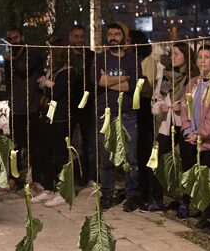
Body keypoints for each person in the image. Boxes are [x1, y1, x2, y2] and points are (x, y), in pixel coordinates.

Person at [178, 45, 210, 235]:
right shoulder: (193, 83)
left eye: (207, 57)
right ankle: (206, 215)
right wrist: (187, 132)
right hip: (193, 139)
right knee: (200, 179)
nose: (203, 61)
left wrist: (201, 134)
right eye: (200, 57)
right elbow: (185, 107)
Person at [93, 23, 141, 210]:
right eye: (110, 34)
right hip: (104, 113)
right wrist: (124, 78)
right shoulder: (100, 59)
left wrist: (109, 81)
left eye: (117, 34)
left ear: (124, 37)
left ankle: (132, 195)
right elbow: (98, 80)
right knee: (106, 157)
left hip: (127, 114)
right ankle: (107, 194)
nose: (113, 37)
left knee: (130, 157)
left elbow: (132, 86)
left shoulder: (132, 60)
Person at [32, 39, 82, 207]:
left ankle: (64, 191)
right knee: (47, 152)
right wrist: (47, 84)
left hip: (62, 117)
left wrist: (46, 83)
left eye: (52, 51)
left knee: (61, 154)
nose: (50, 55)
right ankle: (48, 188)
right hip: (49, 116)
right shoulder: (55, 70)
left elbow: (58, 91)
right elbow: (40, 87)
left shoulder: (70, 71)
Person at [150, 43, 198, 213]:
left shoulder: (194, 78)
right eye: (172, 54)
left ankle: (187, 202)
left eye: (177, 54)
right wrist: (160, 106)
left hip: (185, 126)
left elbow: (198, 103)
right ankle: (156, 200)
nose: (173, 57)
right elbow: (156, 98)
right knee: (156, 159)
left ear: (186, 56)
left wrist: (183, 107)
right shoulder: (165, 76)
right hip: (166, 124)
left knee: (188, 162)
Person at [3, 27, 45, 194]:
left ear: (22, 37)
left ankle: (36, 180)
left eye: (15, 37)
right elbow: (9, 81)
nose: (13, 41)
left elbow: (22, 68)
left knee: (36, 145)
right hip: (17, 108)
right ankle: (13, 179)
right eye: (10, 39)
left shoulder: (31, 53)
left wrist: (11, 59)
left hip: (33, 107)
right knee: (14, 147)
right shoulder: (10, 58)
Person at [130, 30, 159, 213]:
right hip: (135, 106)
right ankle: (138, 187)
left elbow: (146, 86)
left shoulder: (148, 61)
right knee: (135, 149)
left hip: (144, 106)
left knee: (144, 148)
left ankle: (146, 189)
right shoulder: (130, 61)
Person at [69, 25, 98, 187]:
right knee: (68, 143)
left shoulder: (91, 55)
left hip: (88, 105)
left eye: (82, 37)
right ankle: (69, 176)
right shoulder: (65, 55)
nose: (79, 40)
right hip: (70, 105)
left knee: (89, 145)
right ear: (70, 37)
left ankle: (90, 176)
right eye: (76, 37)